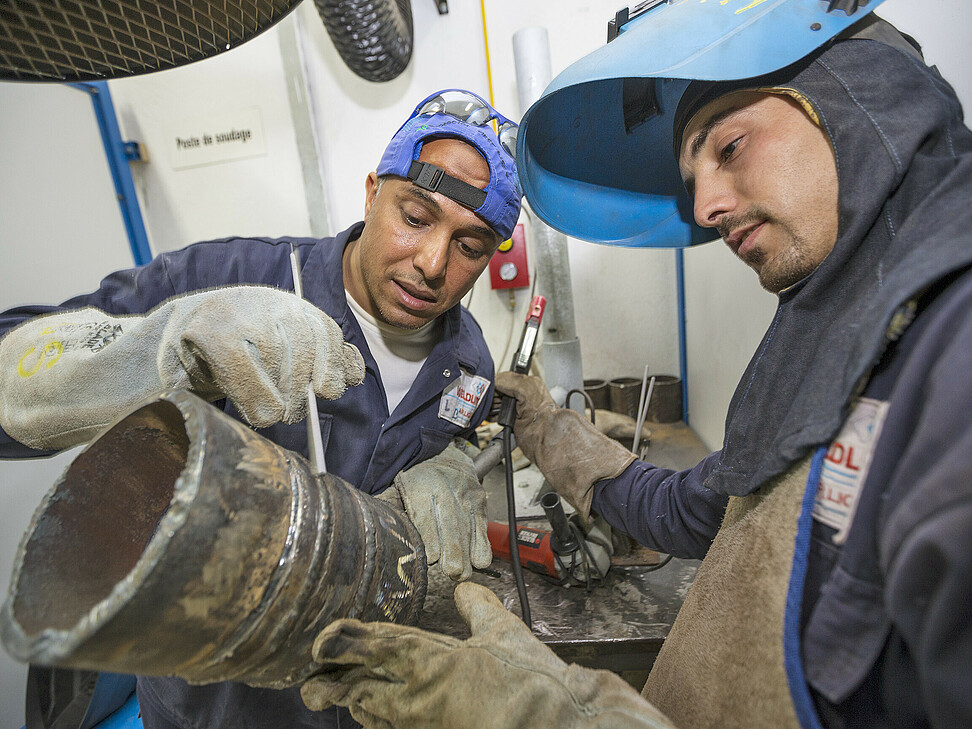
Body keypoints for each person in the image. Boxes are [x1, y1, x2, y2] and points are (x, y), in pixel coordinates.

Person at [294, 7, 972, 729]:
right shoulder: (829, 338)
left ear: (855, 99)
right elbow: (689, 511)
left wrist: (559, 717)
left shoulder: (950, 355)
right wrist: (547, 428)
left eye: (731, 146)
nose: (706, 206)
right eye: (694, 176)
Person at [0, 89, 522, 729]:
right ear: (370, 192)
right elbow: (12, 365)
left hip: (361, 701)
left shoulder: (467, 361)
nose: (432, 264)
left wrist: (455, 467)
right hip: (214, 704)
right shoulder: (228, 280)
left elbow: (449, 464)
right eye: (414, 218)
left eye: (470, 246)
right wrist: (156, 349)